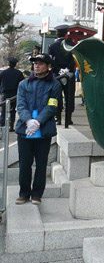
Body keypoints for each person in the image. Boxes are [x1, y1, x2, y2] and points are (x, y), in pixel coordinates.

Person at [14, 53, 61, 205]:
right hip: (25, 129)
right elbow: (20, 105)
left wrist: (38, 121)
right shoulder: (24, 84)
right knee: (24, 163)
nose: (36, 66)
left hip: (44, 129)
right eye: (35, 63)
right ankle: (24, 193)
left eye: (41, 63)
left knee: (41, 163)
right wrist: (28, 120)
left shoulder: (54, 85)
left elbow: (52, 106)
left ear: (48, 66)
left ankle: (37, 194)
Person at [0, 57, 25, 133]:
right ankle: (11, 126)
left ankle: (2, 125)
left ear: (8, 64)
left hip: (5, 93)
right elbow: (23, 84)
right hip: (15, 94)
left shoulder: (3, 73)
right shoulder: (19, 73)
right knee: (13, 110)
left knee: (3, 110)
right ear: (15, 65)